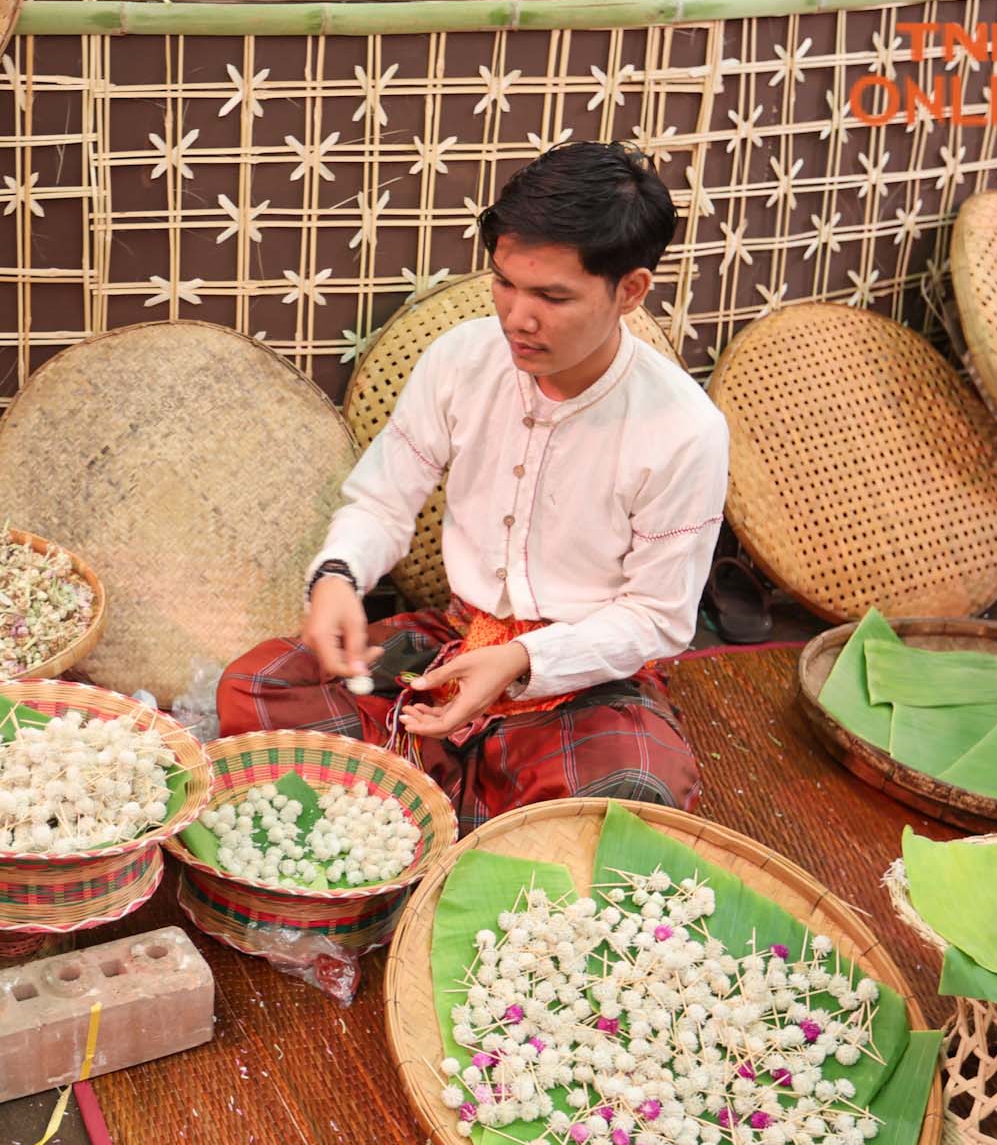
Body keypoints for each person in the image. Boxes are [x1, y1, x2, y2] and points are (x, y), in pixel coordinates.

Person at [217, 141, 729, 833]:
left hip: (583, 678)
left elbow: (658, 617)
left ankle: (423, 786)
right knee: (260, 684)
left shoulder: (684, 429)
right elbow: (383, 499)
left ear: (629, 291)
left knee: (628, 788)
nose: (517, 316)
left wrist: (523, 660)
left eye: (552, 296)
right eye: (505, 282)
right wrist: (337, 576)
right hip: (451, 643)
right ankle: (474, 794)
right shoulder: (461, 359)